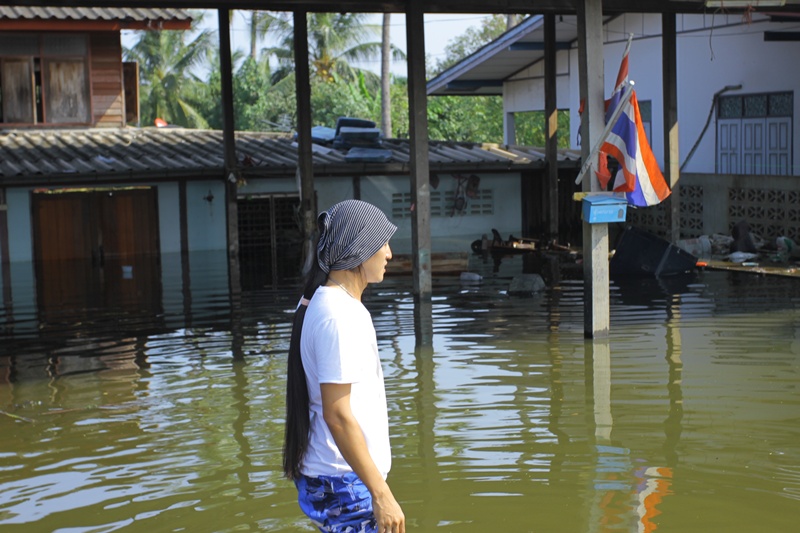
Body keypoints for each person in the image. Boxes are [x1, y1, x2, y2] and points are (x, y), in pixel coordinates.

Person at [283, 199, 406, 533]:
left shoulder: (325, 303)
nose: (389, 254)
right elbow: (336, 414)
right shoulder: (338, 316)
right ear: (360, 248)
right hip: (344, 484)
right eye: (383, 243)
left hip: (337, 478)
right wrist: (381, 494)